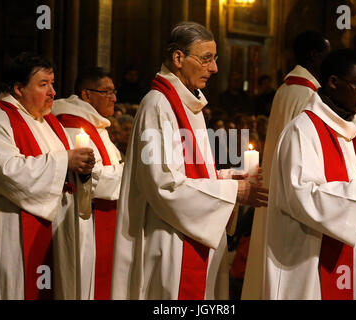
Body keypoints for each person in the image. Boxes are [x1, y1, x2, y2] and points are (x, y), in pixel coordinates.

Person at [111, 21, 268, 300]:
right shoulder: (158, 105)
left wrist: (229, 179)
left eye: (215, 59)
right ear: (178, 58)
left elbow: (192, 175)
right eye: (206, 59)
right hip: (170, 242)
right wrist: (233, 192)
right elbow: (166, 186)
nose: (215, 69)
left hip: (188, 238)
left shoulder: (188, 104)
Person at [263, 49, 356, 299]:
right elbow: (299, 196)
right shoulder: (302, 130)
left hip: (354, 252)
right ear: (333, 82)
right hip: (308, 255)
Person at [0, 52, 95, 300]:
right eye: (43, 84)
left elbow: (64, 169)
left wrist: (81, 168)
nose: (52, 92)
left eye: (52, 84)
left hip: (52, 233)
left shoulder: (49, 122)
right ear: (18, 88)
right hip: (10, 235)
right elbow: (6, 173)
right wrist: (65, 160)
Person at [243, 30, 331, 299]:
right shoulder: (307, 95)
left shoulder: (285, 89)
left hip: (274, 185)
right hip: (293, 193)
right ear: (314, 55)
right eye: (326, 53)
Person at [52, 67, 124, 300]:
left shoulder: (96, 125)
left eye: (114, 92)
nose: (114, 98)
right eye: (106, 92)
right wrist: (130, 175)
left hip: (101, 218)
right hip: (83, 219)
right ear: (86, 95)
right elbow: (90, 178)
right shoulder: (73, 125)